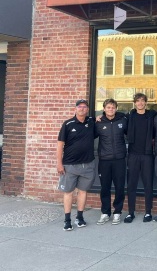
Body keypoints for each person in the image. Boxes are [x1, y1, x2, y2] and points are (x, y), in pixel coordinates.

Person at [56, 99, 96, 231]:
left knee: (83, 192)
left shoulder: (91, 122)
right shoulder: (68, 124)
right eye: (80, 106)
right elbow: (60, 145)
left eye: (85, 107)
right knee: (68, 192)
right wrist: (59, 164)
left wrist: (100, 117)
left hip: (87, 165)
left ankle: (80, 217)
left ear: (87, 110)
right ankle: (67, 220)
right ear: (75, 109)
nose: (82, 109)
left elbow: (102, 119)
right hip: (70, 165)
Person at [124, 92, 157, 223]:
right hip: (133, 154)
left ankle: (148, 212)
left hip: (147, 154)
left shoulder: (152, 115)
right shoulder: (129, 116)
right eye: (138, 101)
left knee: (148, 184)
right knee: (131, 184)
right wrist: (100, 117)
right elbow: (114, 117)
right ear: (135, 103)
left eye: (142, 100)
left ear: (146, 102)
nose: (140, 103)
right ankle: (130, 212)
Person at [95, 98, 128, 226]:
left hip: (119, 159)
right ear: (104, 109)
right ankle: (105, 212)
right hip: (104, 160)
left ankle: (117, 212)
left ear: (116, 109)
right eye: (108, 107)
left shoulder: (122, 120)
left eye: (113, 107)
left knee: (120, 187)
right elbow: (87, 135)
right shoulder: (98, 122)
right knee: (105, 187)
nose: (111, 109)